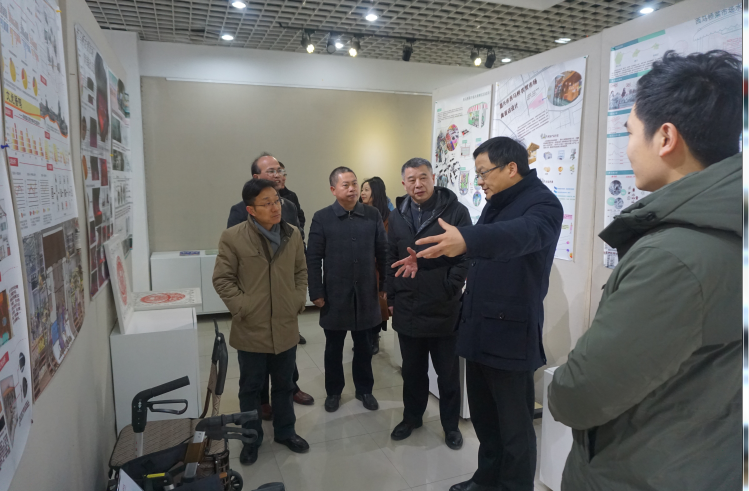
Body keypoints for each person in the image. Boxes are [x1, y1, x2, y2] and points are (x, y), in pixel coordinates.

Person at [548, 50, 742, 491]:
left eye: (631, 132)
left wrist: (560, 385)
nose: (629, 148)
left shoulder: (673, 259)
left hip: (640, 470)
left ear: (666, 137)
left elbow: (580, 392)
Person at [394, 137, 563, 491]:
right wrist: (425, 262)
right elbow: (473, 252)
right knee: (486, 421)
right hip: (478, 327)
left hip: (510, 335)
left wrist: (469, 238)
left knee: (515, 429)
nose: (480, 181)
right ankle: (486, 480)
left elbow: (519, 235)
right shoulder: (497, 203)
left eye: (484, 172)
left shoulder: (543, 204)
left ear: (511, 168)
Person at [213, 179, 311, 465]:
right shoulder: (233, 237)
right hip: (251, 328)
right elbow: (222, 279)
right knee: (251, 389)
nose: (274, 207)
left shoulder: (292, 234)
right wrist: (243, 307)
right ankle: (251, 439)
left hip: (284, 325)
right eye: (266, 203)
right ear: (251, 210)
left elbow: (301, 272)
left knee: (284, 384)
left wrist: (296, 301)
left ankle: (285, 431)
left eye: (276, 201)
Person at [386, 158, 471, 450]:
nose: (418, 184)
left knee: (447, 374)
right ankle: (412, 418)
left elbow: (466, 255)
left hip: (443, 306)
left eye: (423, 177)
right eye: (411, 180)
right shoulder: (397, 215)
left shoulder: (455, 212)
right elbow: (390, 257)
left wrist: (451, 285)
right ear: (404, 183)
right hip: (408, 305)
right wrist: (392, 297)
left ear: (433, 178)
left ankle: (450, 427)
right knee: (412, 372)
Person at [226, 152, 314, 422]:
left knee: (284, 368)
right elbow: (230, 269)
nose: (278, 174)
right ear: (257, 177)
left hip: (283, 307)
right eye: (271, 171)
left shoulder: (289, 204)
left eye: (279, 170)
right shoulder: (239, 213)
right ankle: (260, 409)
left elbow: (298, 258)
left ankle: (288, 411)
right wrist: (244, 305)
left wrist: (297, 299)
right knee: (254, 376)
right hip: (255, 309)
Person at [306, 167, 388, 413]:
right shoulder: (322, 218)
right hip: (335, 294)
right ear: (333, 189)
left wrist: (385, 284)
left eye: (355, 184)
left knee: (364, 346)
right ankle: (334, 392)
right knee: (334, 347)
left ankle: (364, 390)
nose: (352, 189)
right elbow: (313, 258)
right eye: (346, 185)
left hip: (366, 293)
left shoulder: (372, 215)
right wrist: (316, 291)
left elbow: (383, 252)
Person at [359, 177, 390, 355]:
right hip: (362, 266)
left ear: (376, 192)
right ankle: (363, 338)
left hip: (379, 267)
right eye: (362, 189)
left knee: (378, 304)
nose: (362, 193)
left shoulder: (388, 217)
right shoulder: (357, 213)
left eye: (366, 189)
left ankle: (374, 337)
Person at [278, 161, 305, 230]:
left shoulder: (291, 196)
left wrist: (297, 233)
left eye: (284, 175)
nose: (284, 179)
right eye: (280, 175)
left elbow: (300, 218)